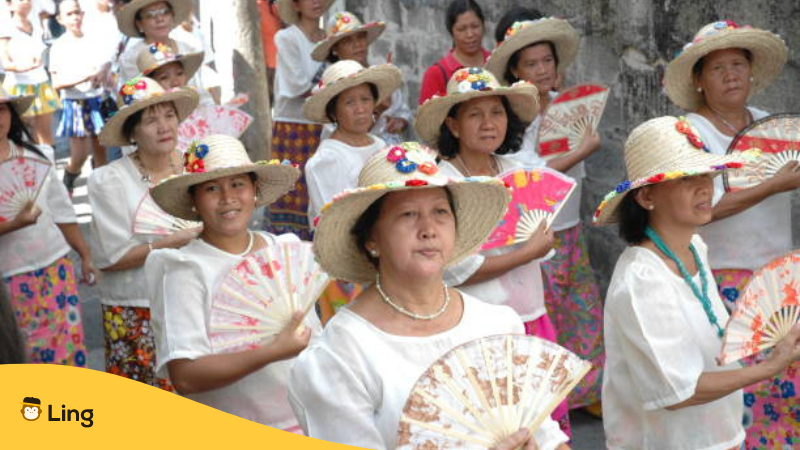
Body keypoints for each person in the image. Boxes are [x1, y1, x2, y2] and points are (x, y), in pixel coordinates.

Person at [290, 143, 570, 450]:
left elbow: (547, 436)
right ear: (372, 238)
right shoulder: (343, 354)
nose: (428, 229)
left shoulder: (497, 326)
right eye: (408, 214)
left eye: (440, 212)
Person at [594, 115, 800, 450]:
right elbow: (678, 392)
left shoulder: (694, 247)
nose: (705, 187)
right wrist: (768, 368)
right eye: (686, 178)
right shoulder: (642, 279)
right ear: (646, 198)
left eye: (706, 174)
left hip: (717, 435)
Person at [416, 66, 574, 434]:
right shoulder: (444, 184)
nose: (488, 123)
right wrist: (527, 252)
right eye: (475, 114)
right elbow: (456, 268)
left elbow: (540, 241)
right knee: (496, 427)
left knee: (541, 425)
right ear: (453, 125)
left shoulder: (518, 170)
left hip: (532, 315)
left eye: (497, 112)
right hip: (474, 324)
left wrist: (540, 243)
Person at [663, 21, 799, 449]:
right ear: (700, 81)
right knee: (739, 386)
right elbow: (697, 211)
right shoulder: (691, 134)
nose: (731, 75)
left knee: (788, 380)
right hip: (723, 279)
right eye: (718, 68)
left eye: (738, 64)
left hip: (781, 275)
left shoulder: (771, 125)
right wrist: (770, 186)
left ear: (752, 72)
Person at [145, 134, 320, 430]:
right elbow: (185, 375)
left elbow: (316, 341)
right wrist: (273, 352)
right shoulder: (185, 270)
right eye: (212, 188)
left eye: (238, 184)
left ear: (255, 190)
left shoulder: (284, 252)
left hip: (307, 422)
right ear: (194, 201)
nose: (227, 198)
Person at [485, 13, 605, 414]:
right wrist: (578, 153)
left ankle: (588, 391)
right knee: (547, 313)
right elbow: (528, 181)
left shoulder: (569, 107)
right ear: (514, 71)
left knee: (583, 307)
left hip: (571, 227)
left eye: (546, 62)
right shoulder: (511, 118)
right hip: (536, 236)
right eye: (530, 64)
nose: (540, 71)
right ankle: (550, 398)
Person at [90, 76, 199, 388]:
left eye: (169, 116)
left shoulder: (192, 165)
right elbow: (111, 258)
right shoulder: (110, 180)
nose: (164, 127)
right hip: (138, 309)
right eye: (150, 120)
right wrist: (173, 241)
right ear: (132, 132)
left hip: (194, 297)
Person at [0, 86, 96, 366]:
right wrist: (11, 225)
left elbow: (62, 212)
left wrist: (85, 254)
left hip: (55, 268)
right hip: (8, 278)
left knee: (66, 350)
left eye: (2, 108)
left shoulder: (38, 155)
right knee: (22, 356)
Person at [302, 59, 401, 321]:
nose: (360, 109)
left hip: (386, 251)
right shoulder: (326, 160)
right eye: (349, 102)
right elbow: (334, 224)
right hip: (347, 262)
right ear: (334, 111)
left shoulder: (379, 144)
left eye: (365, 99)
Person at [267, 0, 334, 240]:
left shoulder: (330, 38)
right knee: (292, 190)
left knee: (322, 189)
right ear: (295, 5)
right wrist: (335, 88)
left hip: (324, 124)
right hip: (293, 126)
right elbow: (297, 85)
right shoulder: (287, 38)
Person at [312, 11, 412, 145]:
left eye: (360, 37)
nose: (357, 44)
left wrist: (400, 122)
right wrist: (377, 110)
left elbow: (403, 112)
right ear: (335, 48)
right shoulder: (332, 87)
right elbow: (344, 133)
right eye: (347, 40)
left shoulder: (381, 76)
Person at [49, 0, 114, 192]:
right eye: (69, 14)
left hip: (97, 100)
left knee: (102, 153)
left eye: (77, 12)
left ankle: (102, 194)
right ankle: (68, 180)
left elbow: (106, 63)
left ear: (83, 14)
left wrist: (102, 72)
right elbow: (57, 83)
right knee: (80, 155)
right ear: (60, 19)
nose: (75, 17)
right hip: (74, 103)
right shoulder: (59, 47)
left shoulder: (94, 40)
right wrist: (83, 77)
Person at [2, 0, 60, 145]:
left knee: (46, 136)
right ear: (9, 4)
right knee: (18, 135)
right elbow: (5, 62)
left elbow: (51, 9)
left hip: (41, 83)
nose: (26, 2)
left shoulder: (36, 21)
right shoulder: (5, 27)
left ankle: (49, 166)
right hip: (18, 86)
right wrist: (24, 66)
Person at [418, 0, 490, 105]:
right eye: (461, 29)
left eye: (475, 26)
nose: (470, 34)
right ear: (451, 32)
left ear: (483, 26)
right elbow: (427, 119)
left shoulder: (497, 62)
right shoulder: (436, 74)